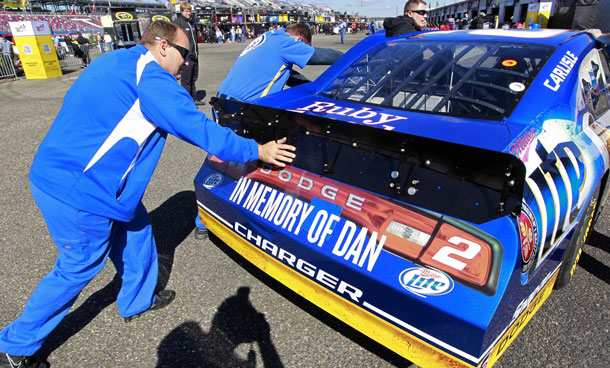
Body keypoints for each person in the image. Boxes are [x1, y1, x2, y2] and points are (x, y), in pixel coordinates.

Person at [0, 20, 295, 368]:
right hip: (80, 192)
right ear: (163, 46)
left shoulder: (116, 60)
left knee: (137, 227)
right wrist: (256, 151)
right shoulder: (152, 79)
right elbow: (197, 128)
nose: (186, 62)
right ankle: (16, 347)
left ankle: (137, 299)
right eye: (184, 53)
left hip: (85, 180)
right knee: (77, 267)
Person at [192, 23, 343, 239]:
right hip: (243, 112)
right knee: (270, 157)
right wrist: (349, 58)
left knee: (222, 161)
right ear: (299, 39)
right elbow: (318, 56)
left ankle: (203, 219)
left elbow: (290, 76)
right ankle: (263, 222)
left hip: (223, 105)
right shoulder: (285, 42)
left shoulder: (269, 40)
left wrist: (315, 88)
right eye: (303, 47)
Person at [174, 2, 204, 106]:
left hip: (194, 56)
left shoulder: (191, 23)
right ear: (182, 11)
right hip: (186, 56)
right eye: (187, 11)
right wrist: (183, 55)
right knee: (186, 80)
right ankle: (186, 101)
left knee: (193, 78)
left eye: (190, 11)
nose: (189, 13)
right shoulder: (178, 23)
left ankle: (194, 98)